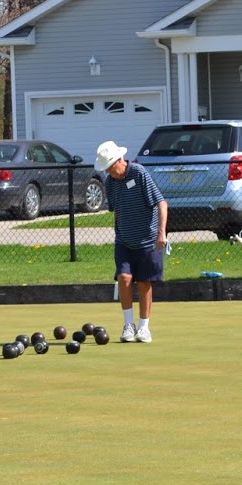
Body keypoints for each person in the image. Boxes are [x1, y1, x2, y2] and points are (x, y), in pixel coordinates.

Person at [94, 140, 168, 343]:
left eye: (111, 167)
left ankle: (144, 328)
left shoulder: (139, 173)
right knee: (124, 278)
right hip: (124, 241)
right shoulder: (110, 182)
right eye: (106, 169)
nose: (110, 172)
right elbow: (116, 211)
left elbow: (161, 203)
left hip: (148, 241)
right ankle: (129, 325)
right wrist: (119, 233)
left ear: (120, 160)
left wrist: (161, 233)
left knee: (144, 283)